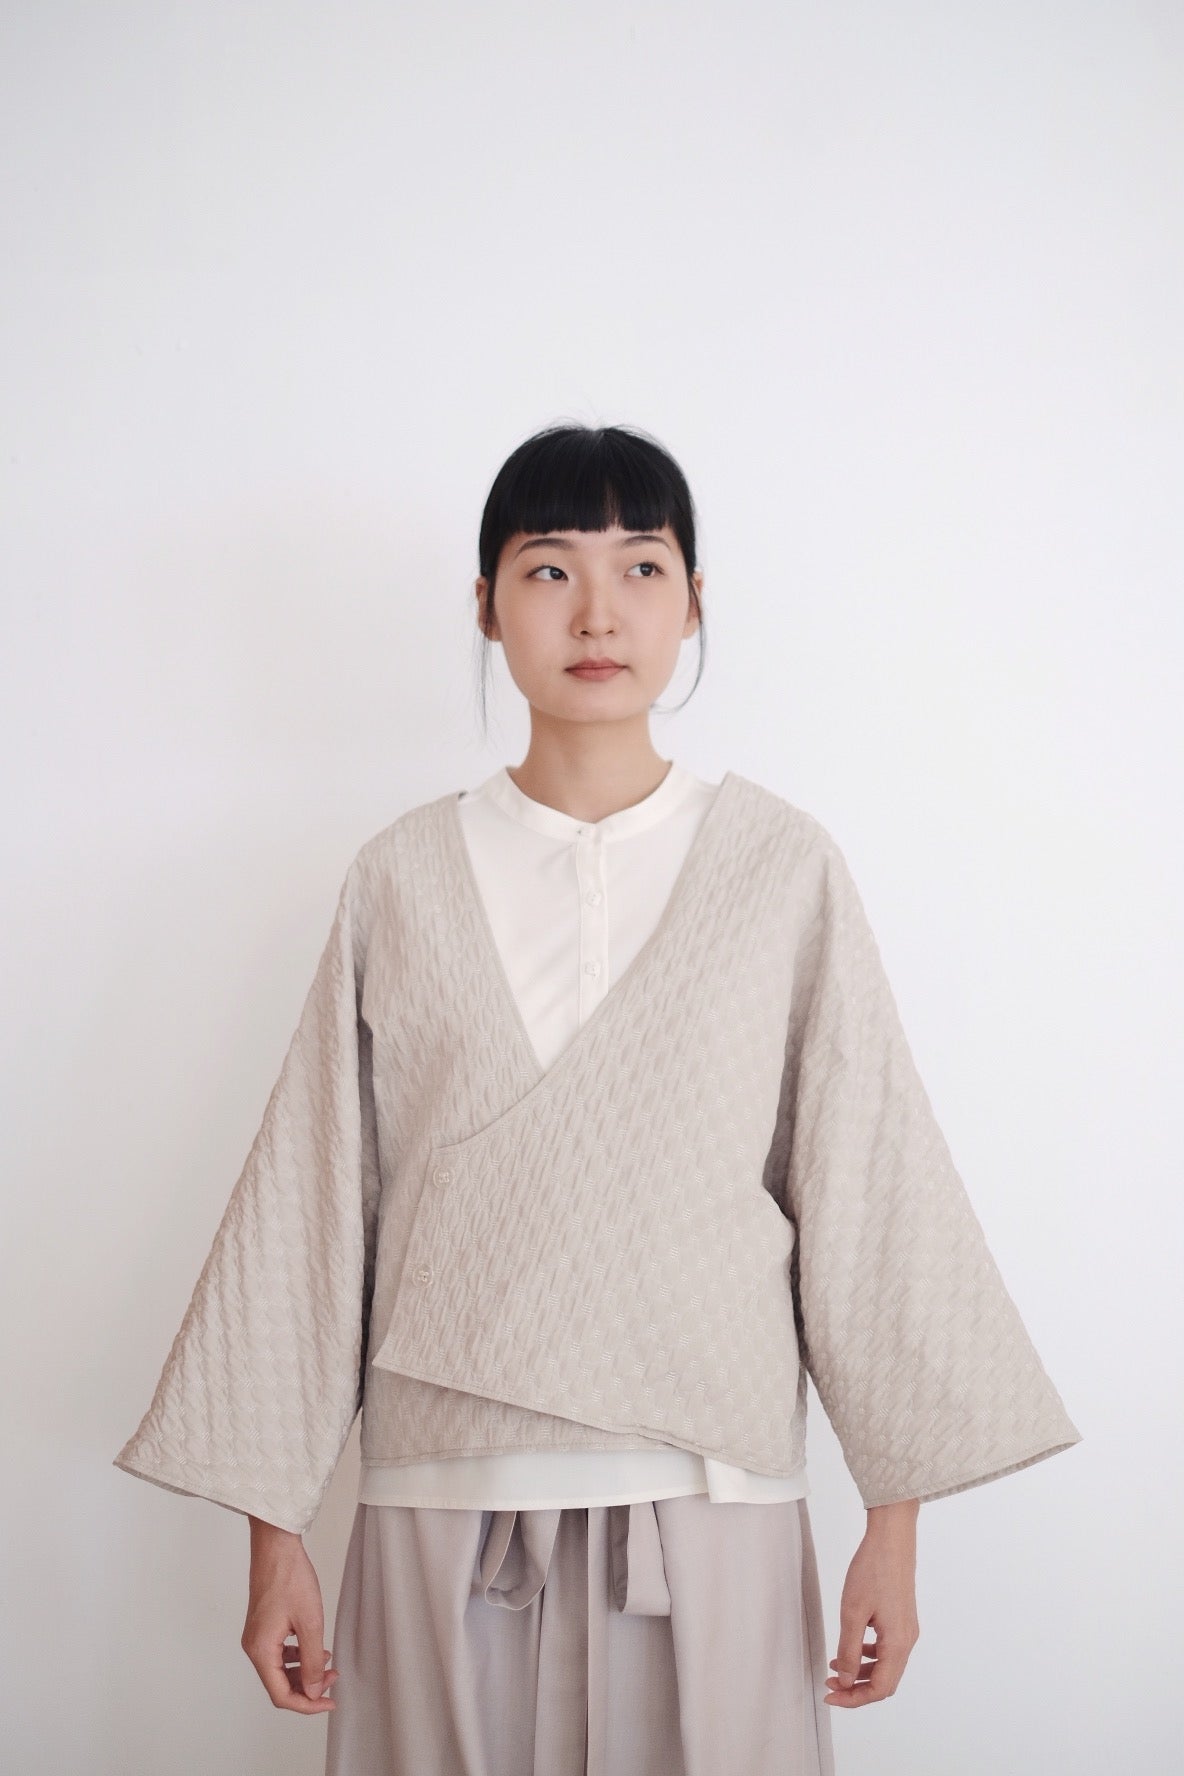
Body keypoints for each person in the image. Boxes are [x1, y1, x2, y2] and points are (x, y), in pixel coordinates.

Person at [114, 423, 1083, 1776]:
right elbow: (315, 1203)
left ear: (694, 601)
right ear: (485, 605)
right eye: (549, 569)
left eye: (640, 566)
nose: (598, 612)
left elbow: (869, 1181)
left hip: (713, 1494)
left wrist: (894, 1528)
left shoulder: (782, 868)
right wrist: (274, 1540)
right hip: (444, 1490)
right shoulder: (401, 877)